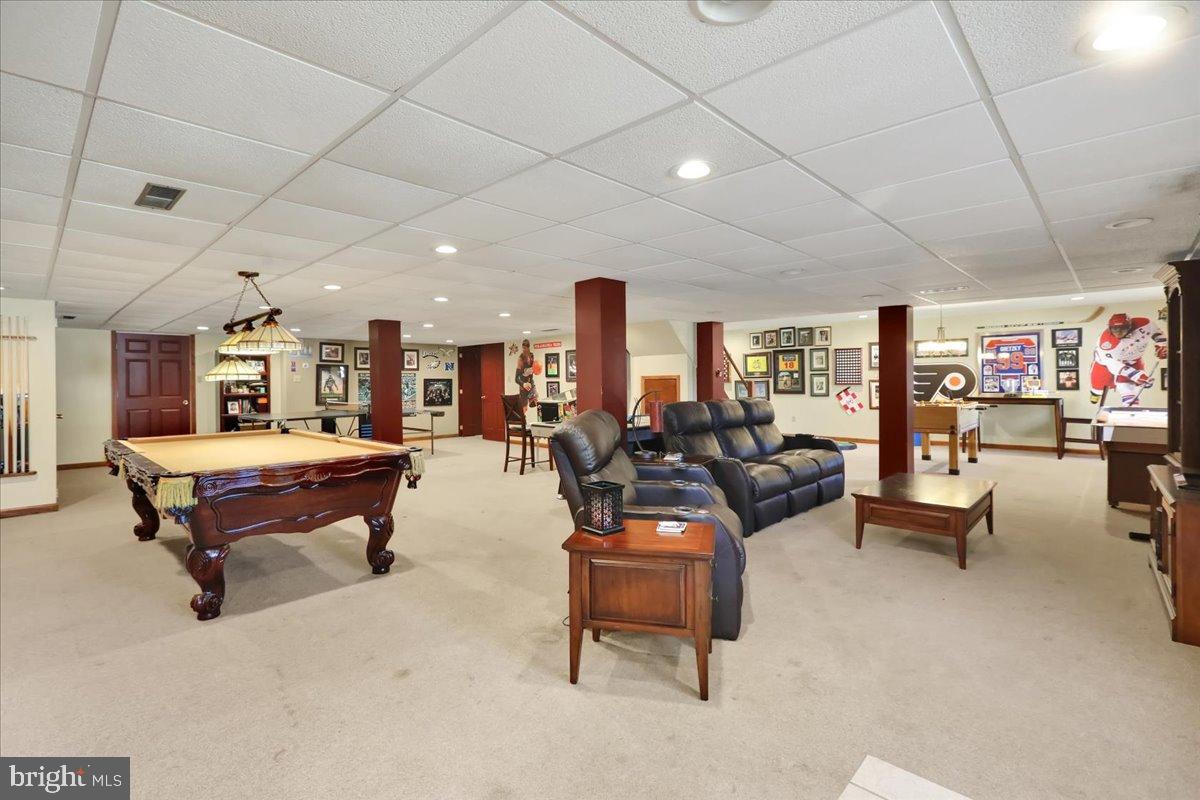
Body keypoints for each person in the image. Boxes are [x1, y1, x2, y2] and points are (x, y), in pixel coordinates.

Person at [1090, 312, 1167, 406]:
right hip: (1105, 363)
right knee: (1097, 388)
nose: (1118, 332)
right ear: (1109, 328)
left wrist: (1161, 345)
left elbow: (1156, 331)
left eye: (1122, 328)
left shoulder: (1144, 323)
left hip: (1134, 359)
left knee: (1127, 387)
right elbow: (1112, 364)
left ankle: (1131, 408)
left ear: (1130, 326)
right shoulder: (1106, 342)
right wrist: (1136, 375)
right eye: (1115, 329)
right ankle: (1095, 393)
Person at [514, 339, 539, 410]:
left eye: (525, 348)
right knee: (524, 408)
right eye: (523, 348)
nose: (524, 350)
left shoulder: (531, 356)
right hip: (523, 385)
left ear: (528, 348)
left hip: (531, 383)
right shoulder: (520, 359)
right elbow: (516, 379)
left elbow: (534, 369)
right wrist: (523, 383)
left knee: (536, 401)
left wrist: (535, 370)